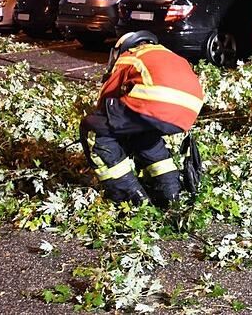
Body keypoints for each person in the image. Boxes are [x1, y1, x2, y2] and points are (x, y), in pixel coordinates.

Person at [79, 31, 204, 205]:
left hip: (153, 103)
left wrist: (101, 122)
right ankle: (171, 193)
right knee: (144, 135)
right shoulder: (167, 54)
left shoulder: (130, 56)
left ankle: (128, 196)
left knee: (92, 128)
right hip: (188, 112)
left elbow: (107, 96)